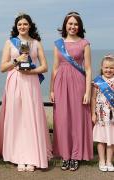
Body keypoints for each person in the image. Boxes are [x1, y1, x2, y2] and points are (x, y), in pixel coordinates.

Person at [0, 13, 53, 172]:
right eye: (19, 24)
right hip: (14, 81)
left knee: (30, 117)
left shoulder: (36, 43)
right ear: (16, 26)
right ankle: (18, 156)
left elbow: (45, 67)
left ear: (30, 26)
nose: (22, 27)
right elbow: (2, 67)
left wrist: (31, 72)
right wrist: (17, 60)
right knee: (16, 118)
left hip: (31, 82)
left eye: (25, 24)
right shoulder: (9, 43)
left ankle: (32, 156)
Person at [50, 11, 93, 171]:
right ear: (65, 25)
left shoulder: (84, 43)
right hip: (60, 84)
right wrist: (51, 90)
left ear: (79, 26)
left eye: (76, 24)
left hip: (78, 83)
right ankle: (65, 155)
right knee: (62, 120)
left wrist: (88, 92)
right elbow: (54, 68)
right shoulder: (58, 43)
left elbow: (88, 69)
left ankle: (75, 155)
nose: (73, 26)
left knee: (77, 119)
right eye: (70, 23)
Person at [91, 55, 114, 172]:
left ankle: (109, 161)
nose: (108, 70)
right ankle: (101, 160)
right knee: (101, 139)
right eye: (106, 67)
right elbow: (93, 98)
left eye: (111, 68)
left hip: (112, 117)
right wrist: (93, 114)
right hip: (100, 115)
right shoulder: (97, 81)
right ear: (101, 67)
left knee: (111, 140)